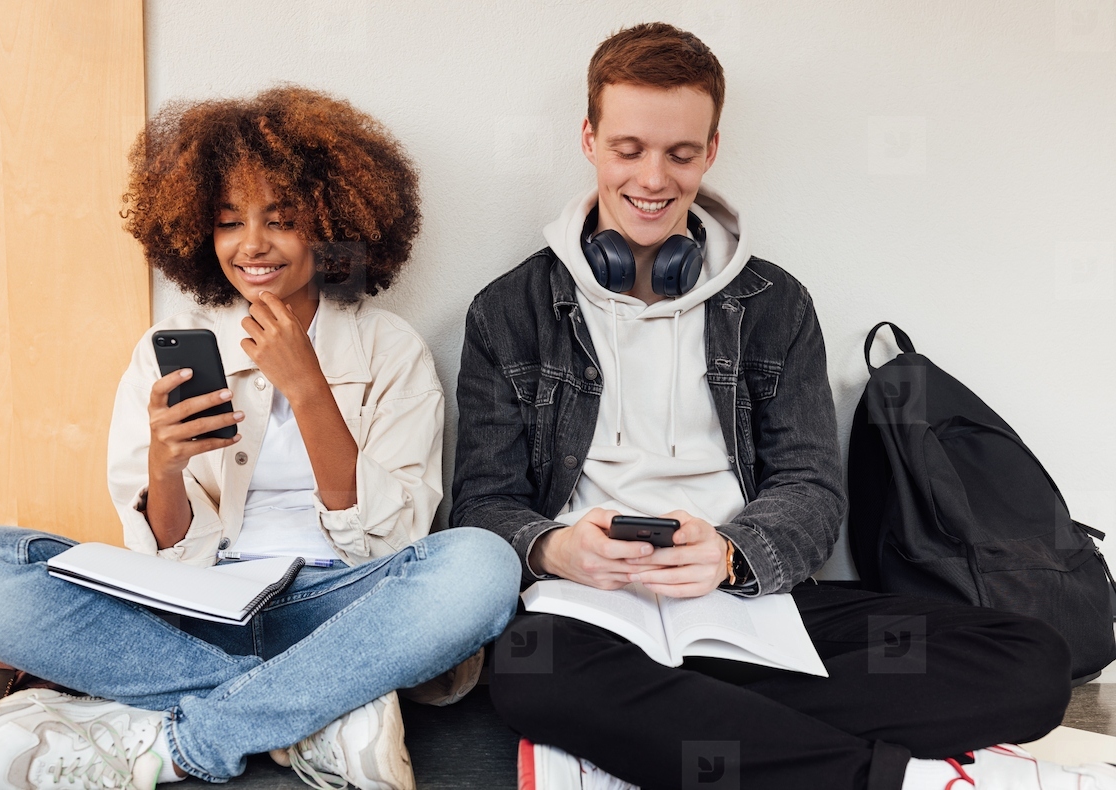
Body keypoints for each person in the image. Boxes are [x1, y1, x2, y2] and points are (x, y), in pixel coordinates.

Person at [451, 23, 1108, 790]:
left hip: (750, 603)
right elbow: (482, 500)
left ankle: (687, 724)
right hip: (593, 615)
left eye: (681, 153)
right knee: (532, 675)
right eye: (629, 149)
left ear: (712, 151)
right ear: (590, 140)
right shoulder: (507, 311)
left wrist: (733, 554)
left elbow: (811, 487)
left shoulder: (774, 303)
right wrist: (557, 550)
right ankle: (889, 778)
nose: (653, 178)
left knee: (1031, 666)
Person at [0, 86, 520, 790]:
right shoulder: (166, 350)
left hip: (342, 614)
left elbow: (387, 544)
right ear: (196, 233)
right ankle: (315, 716)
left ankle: (171, 738)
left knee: (482, 565)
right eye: (228, 221)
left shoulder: (388, 349)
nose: (252, 245)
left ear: (331, 224)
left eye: (283, 219)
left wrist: (307, 389)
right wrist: (166, 464)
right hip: (194, 613)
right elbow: (165, 553)